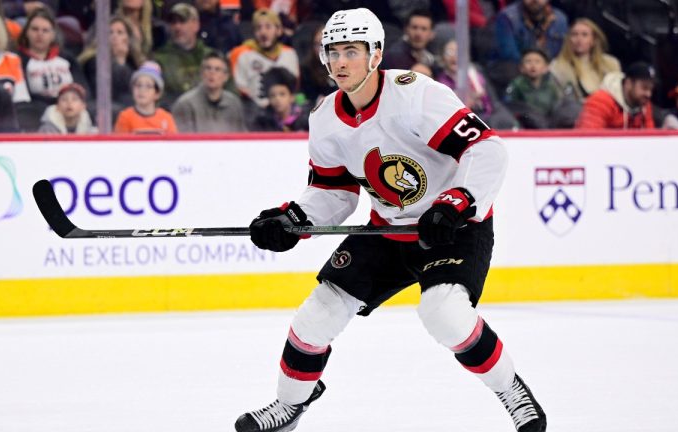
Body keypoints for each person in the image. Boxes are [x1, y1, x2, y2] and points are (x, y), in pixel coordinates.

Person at [234, 8, 547, 432]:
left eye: (351, 51)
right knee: (316, 316)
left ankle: (512, 392)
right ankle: (289, 405)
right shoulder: (325, 118)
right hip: (387, 230)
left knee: (444, 314)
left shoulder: (415, 96)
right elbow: (334, 192)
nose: (340, 62)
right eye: (332, 52)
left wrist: (455, 202)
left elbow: (487, 149)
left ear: (376, 54)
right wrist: (294, 218)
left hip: (452, 228)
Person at [436, 38, 518, 130]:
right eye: (449, 52)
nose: (455, 56)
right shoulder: (441, 83)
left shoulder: (476, 72)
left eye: (459, 52)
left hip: (489, 117)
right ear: (442, 58)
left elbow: (493, 102)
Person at [228, 8, 299, 108]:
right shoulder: (241, 54)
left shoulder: (290, 53)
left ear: (279, 30)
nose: (263, 32)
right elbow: (238, 89)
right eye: (258, 28)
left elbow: (294, 87)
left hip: (285, 109)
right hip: (252, 109)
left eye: (268, 27)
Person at [78, 15, 144, 116]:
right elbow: (110, 92)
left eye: (120, 32)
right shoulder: (93, 61)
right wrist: (120, 60)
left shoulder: (136, 63)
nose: (114, 36)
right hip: (101, 109)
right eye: (110, 32)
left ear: (128, 38)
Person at [549, 18, 621, 103]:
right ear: (569, 39)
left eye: (584, 35)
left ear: (593, 40)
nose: (579, 39)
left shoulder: (611, 63)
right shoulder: (558, 67)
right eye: (574, 34)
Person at [171, 51, 246, 133]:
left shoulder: (233, 104)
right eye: (208, 68)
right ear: (201, 73)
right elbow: (183, 138)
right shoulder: (186, 104)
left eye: (217, 69)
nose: (212, 73)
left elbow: (241, 135)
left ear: (226, 76)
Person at [504, 48, 578, 129]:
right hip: (525, 125)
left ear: (546, 68)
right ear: (521, 68)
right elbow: (510, 106)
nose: (533, 65)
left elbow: (558, 107)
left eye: (537, 62)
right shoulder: (516, 84)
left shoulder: (552, 85)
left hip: (550, 124)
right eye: (528, 61)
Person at [576, 61, 656, 129]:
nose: (648, 94)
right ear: (628, 83)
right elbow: (588, 138)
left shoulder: (643, 103)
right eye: (644, 87)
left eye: (651, 89)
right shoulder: (600, 101)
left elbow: (650, 138)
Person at [493, 0, 568, 64]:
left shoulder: (560, 19)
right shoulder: (507, 18)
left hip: (549, 70)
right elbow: (510, 57)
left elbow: (562, 55)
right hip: (517, 69)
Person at [114, 60, 177, 134]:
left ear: (157, 93)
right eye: (138, 85)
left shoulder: (166, 118)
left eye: (148, 86)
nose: (142, 90)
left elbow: (173, 140)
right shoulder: (125, 117)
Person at [251, 66, 308, 131]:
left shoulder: (305, 121)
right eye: (272, 95)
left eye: (282, 94)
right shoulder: (263, 121)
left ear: (292, 97)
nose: (277, 99)